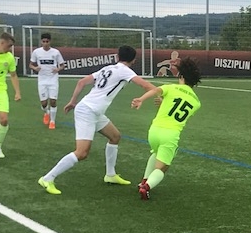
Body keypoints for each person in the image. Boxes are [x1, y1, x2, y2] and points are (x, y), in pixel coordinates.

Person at [38, 45, 157, 195]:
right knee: (82, 152)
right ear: (134, 60)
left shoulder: (107, 68)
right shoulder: (125, 70)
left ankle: (110, 175)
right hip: (88, 111)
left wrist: (73, 101)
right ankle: (47, 178)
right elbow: (147, 86)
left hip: (94, 111)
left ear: (117, 57)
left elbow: (81, 82)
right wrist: (161, 94)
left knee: (115, 137)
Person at [131, 57, 202, 200]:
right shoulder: (196, 102)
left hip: (154, 131)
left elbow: (155, 91)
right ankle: (146, 187)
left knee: (156, 153)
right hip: (170, 134)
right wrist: (165, 103)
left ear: (181, 76)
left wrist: (141, 99)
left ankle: (144, 181)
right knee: (162, 167)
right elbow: (177, 112)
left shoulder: (171, 88)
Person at [29, 32, 65, 129]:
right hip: (42, 80)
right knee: (44, 103)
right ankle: (46, 112)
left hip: (53, 79)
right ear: (41, 41)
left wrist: (58, 69)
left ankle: (52, 121)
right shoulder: (36, 52)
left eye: (47, 41)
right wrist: (35, 68)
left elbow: (62, 65)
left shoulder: (56, 52)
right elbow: (31, 64)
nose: (45, 43)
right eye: (43, 41)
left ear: (50, 42)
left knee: (53, 101)